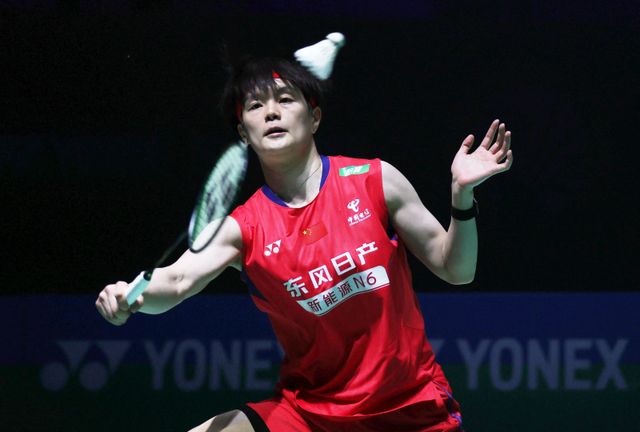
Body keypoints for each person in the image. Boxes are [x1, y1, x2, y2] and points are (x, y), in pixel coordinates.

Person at [95, 56, 513, 432]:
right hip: (309, 415)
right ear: (244, 133)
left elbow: (456, 269)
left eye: (284, 99)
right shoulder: (243, 227)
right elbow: (177, 280)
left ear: (314, 118)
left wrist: (461, 197)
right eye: (255, 106)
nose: (271, 112)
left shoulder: (374, 180)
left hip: (409, 410)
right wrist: (133, 296)